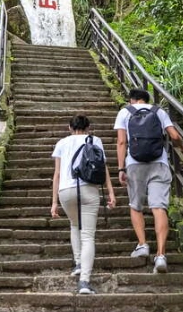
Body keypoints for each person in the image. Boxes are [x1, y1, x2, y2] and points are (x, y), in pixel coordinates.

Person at [114, 89, 183, 273]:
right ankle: (161, 255)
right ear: (146, 99)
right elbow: (174, 136)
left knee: (136, 205)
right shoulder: (159, 111)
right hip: (159, 163)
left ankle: (142, 244)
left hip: (135, 163)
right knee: (159, 207)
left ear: (132, 100)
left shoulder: (125, 112)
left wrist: (121, 168)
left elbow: (122, 142)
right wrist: (182, 148)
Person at [50, 115, 116, 294]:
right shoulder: (95, 140)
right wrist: (111, 192)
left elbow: (57, 174)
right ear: (88, 128)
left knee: (74, 224)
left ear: (69, 127)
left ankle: (79, 263)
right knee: (87, 236)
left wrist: (54, 202)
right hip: (89, 189)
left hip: (65, 191)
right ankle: (84, 282)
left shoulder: (61, 143)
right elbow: (103, 168)